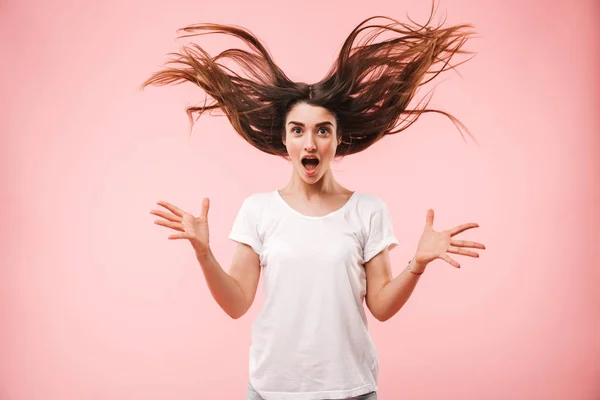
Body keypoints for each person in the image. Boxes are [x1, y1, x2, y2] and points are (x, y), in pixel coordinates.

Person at [144, 3, 485, 399]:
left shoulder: (368, 210)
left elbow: (381, 307)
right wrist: (203, 252)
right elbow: (237, 303)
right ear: (285, 140)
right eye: (298, 130)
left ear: (338, 139)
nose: (310, 142)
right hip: (272, 391)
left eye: (323, 131)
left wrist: (418, 263)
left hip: (350, 390)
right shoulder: (258, 210)